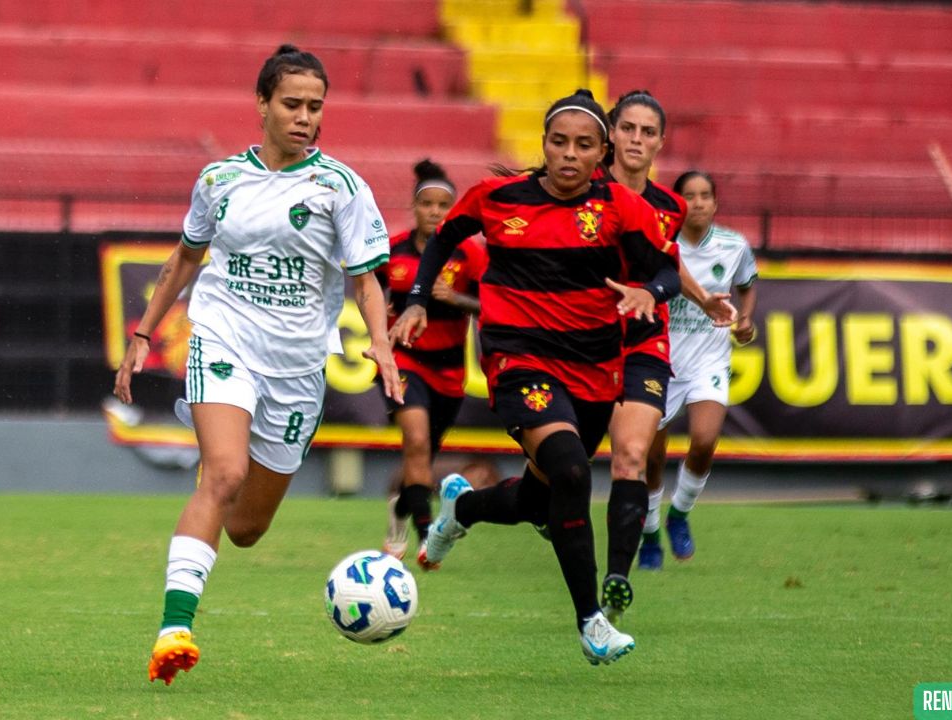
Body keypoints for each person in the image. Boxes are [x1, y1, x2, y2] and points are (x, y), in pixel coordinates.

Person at [113, 44, 402, 686]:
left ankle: (211, 520)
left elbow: (366, 281)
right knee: (222, 472)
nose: (305, 117)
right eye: (292, 104)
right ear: (263, 105)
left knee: (245, 528)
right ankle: (174, 630)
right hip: (223, 338)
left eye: (315, 107)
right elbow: (186, 259)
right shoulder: (220, 180)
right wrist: (143, 332)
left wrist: (380, 344)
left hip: (297, 367)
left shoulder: (342, 188)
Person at [391, 89, 680, 665]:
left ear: (601, 153)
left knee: (538, 497)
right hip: (517, 357)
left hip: (595, 369)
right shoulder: (498, 198)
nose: (568, 154)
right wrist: (419, 298)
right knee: (572, 470)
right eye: (558, 142)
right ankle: (591, 622)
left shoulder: (621, 207)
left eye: (583, 145)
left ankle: (463, 510)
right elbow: (445, 236)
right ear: (543, 144)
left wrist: (649, 291)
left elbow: (667, 270)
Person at [588, 91, 735, 623]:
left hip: (644, 341)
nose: (636, 140)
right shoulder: (584, 190)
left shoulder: (667, 207)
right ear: (611, 133)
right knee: (555, 475)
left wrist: (702, 300)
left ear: (660, 143)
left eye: (648, 132)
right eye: (627, 128)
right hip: (578, 342)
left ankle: (620, 574)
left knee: (632, 454)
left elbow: (667, 263)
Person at [638, 171, 758, 566]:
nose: (699, 203)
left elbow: (747, 283)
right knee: (651, 459)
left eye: (706, 195)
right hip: (661, 357)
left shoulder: (733, 245)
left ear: (716, 202)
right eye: (690, 196)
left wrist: (745, 322)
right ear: (677, 203)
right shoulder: (661, 242)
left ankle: (680, 515)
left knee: (705, 439)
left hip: (709, 357)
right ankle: (651, 532)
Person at [377, 159, 488, 561]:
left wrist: (454, 298)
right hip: (403, 362)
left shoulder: (469, 256)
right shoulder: (393, 252)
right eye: (428, 204)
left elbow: (490, 305)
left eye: (444, 205)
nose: (436, 212)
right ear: (415, 206)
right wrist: (380, 323)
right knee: (417, 441)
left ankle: (402, 510)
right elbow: (367, 292)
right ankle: (427, 539)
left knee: (421, 463)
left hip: (450, 370)